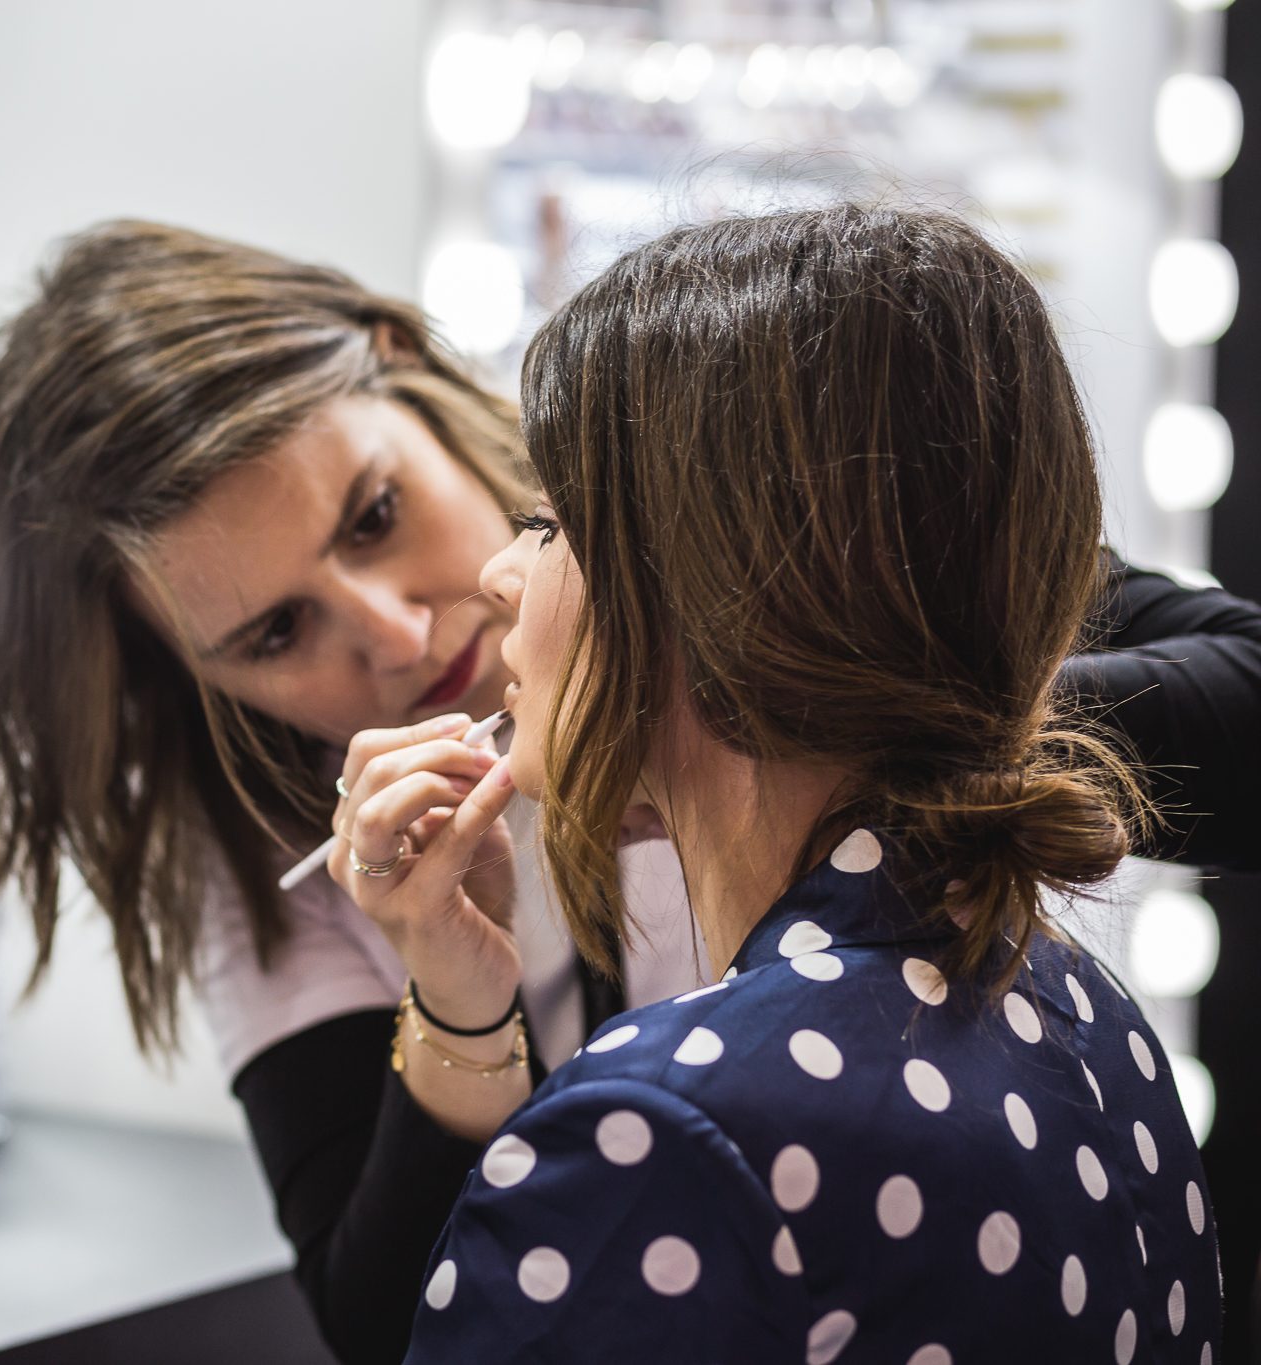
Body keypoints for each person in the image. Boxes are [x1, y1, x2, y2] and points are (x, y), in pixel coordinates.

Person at [0, 220, 1259, 1364]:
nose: (401, 633)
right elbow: (389, 1317)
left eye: (374, 515)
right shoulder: (265, 848)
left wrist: (820, 697)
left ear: (402, 361)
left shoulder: (709, 464)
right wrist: (456, 1003)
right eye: (274, 635)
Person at [332, 204, 1220, 1362]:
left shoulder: (666, 1130)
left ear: (723, 599)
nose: (498, 577)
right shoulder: (1090, 1019)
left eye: (549, 524)